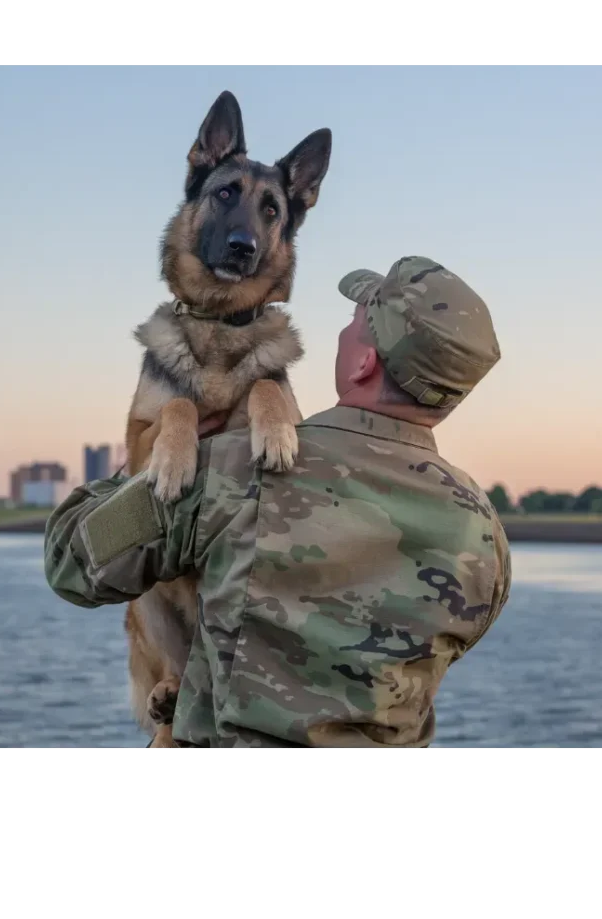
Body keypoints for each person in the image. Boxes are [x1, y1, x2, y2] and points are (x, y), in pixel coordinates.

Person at [44, 255, 511, 751]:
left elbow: (70, 562)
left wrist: (142, 459)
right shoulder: (483, 534)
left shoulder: (231, 468)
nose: (343, 333)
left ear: (363, 362)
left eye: (355, 323)